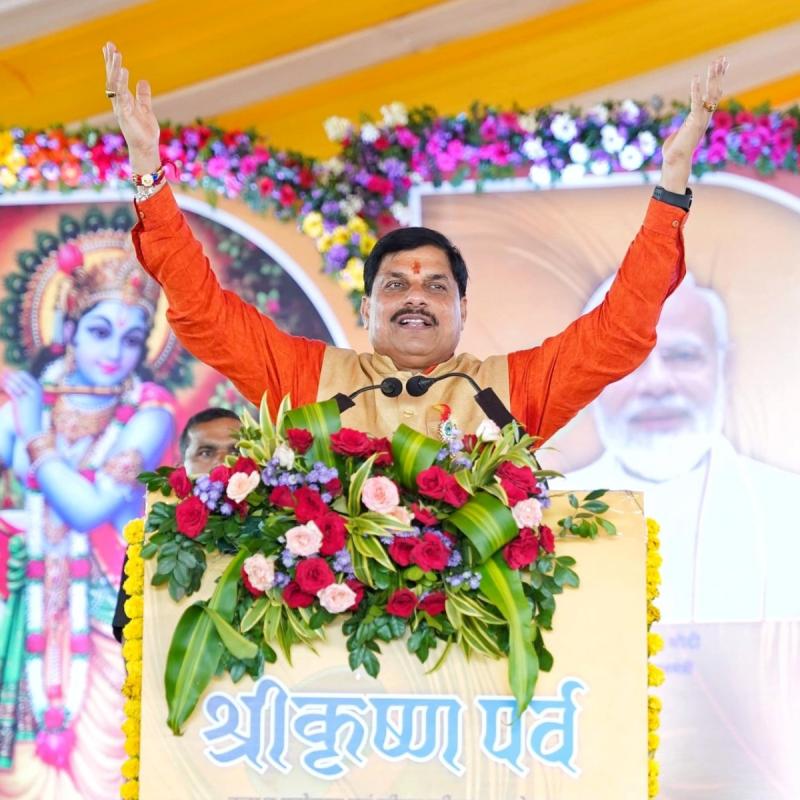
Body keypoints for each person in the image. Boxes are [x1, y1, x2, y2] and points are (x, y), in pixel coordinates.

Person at [101, 41, 726, 470]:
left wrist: (672, 187)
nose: (416, 298)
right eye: (396, 285)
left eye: (435, 286)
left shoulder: (507, 391)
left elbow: (621, 330)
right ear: (367, 308)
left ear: (462, 309)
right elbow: (204, 314)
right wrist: (149, 173)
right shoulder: (311, 381)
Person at [0, 248, 175, 797]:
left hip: (105, 613)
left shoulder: (150, 413)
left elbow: (86, 509)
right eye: (100, 332)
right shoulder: (30, 400)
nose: (115, 353)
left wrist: (34, 435)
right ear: (69, 328)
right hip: (23, 605)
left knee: (105, 770)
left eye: (131, 339)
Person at [566, 274, 800, 622]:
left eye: (682, 355)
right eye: (626, 360)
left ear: (725, 367)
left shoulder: (787, 509)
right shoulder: (547, 514)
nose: (656, 382)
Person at [111, 406, 241, 642]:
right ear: (181, 468)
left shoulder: (287, 537)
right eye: (206, 452)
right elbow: (130, 635)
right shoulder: (150, 540)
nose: (223, 463)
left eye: (237, 451)